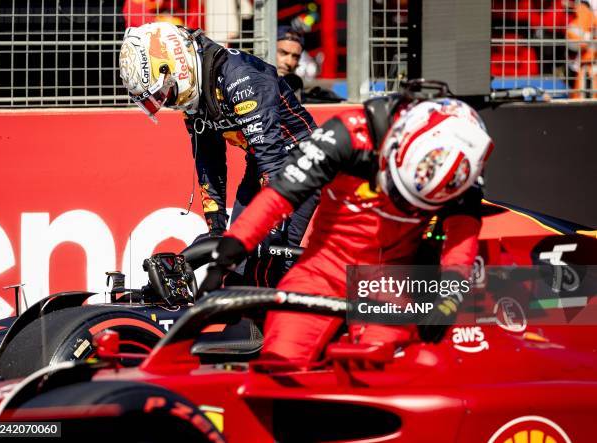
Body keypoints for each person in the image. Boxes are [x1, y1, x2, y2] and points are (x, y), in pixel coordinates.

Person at [199, 81, 494, 363]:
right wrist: (230, 251)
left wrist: (449, 298)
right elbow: (280, 194)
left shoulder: (463, 172)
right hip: (324, 268)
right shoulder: (349, 133)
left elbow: (461, 240)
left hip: (395, 280)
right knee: (282, 355)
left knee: (379, 364)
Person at [119, 22, 319, 282]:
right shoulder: (196, 95)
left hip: (302, 162)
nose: (166, 101)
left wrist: (271, 227)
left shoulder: (242, 78)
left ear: (176, 65)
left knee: (265, 266)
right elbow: (209, 162)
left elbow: (273, 160)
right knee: (236, 268)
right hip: (262, 165)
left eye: (164, 93)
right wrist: (216, 228)